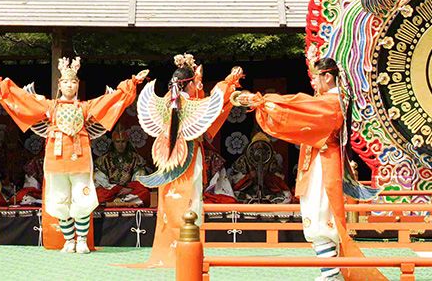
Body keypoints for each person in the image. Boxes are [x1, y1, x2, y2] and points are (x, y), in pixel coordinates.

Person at [233, 47, 384, 281]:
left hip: (324, 164)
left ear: (328, 77)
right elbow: (299, 107)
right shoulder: (328, 102)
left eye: (316, 77)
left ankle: (331, 274)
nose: (313, 83)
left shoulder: (331, 104)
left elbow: (297, 106)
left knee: (321, 217)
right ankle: (330, 273)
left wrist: (262, 101)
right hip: (318, 162)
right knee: (316, 216)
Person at [0, 58, 148, 254]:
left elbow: (109, 101)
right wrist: (0, 85)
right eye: (66, 82)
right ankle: (69, 240)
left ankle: (82, 241)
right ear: (59, 85)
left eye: (73, 82)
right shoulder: (50, 107)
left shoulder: (85, 107)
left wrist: (132, 83)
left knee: (83, 200)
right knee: (60, 201)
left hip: (81, 161)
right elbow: (24, 100)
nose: (70, 85)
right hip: (56, 162)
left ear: (78, 85)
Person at [134, 54, 244, 269]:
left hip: (167, 157)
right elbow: (217, 102)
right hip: (188, 157)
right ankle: (187, 252)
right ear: (190, 83)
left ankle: (167, 252)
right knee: (189, 201)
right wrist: (229, 81)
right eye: (196, 82)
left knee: (168, 202)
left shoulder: (167, 101)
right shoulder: (192, 104)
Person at [94, 126, 149, 206]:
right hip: (110, 192)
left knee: (144, 193)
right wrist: (114, 189)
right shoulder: (103, 159)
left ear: (127, 142)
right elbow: (99, 179)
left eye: (123, 142)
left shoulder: (135, 158)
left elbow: (140, 178)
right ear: (113, 142)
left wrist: (130, 188)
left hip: (129, 192)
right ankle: (127, 203)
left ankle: (114, 204)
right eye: (118, 142)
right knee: (97, 194)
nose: (120, 145)